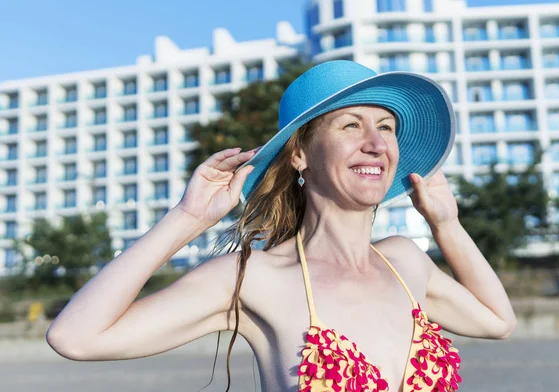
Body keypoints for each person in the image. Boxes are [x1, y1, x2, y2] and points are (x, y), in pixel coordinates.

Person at [46, 60, 517, 392]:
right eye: (351, 125)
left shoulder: (405, 263)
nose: (376, 142)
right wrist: (186, 219)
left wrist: (447, 225)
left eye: (387, 127)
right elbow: (77, 337)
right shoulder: (254, 279)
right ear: (299, 154)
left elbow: (498, 322)